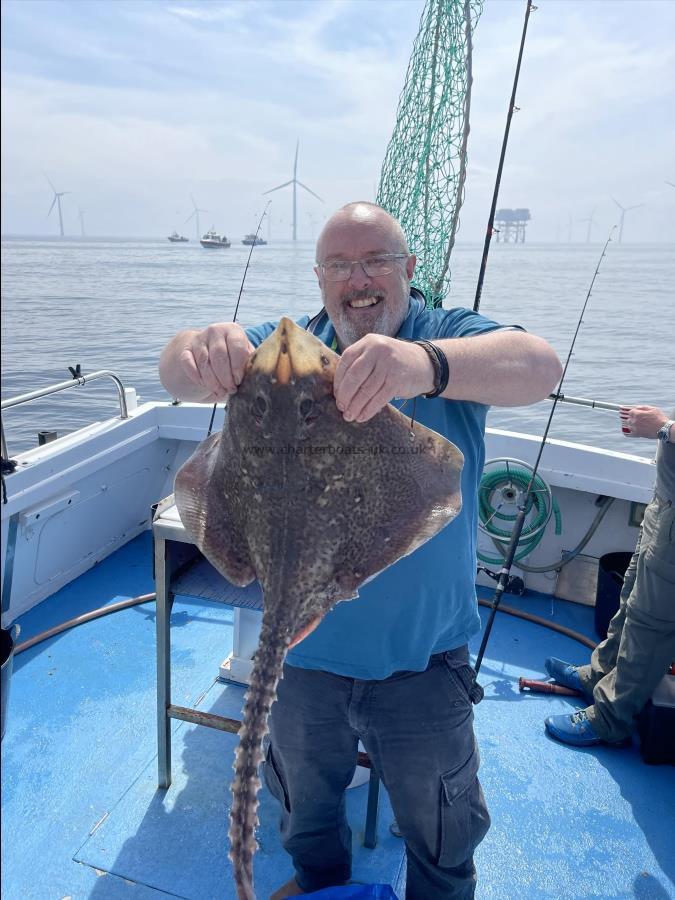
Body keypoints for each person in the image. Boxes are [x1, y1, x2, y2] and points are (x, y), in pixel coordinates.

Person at [159, 201, 562, 899]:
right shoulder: (286, 346)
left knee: (439, 827)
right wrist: (202, 346)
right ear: (320, 278)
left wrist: (421, 365)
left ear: (409, 270)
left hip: (421, 658)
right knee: (302, 813)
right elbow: (174, 372)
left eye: (375, 260)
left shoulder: (446, 334)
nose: (358, 277)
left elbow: (538, 366)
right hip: (300, 654)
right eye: (340, 265)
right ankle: (320, 885)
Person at [544, 405, 675, 747]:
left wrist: (663, 428)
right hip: (664, 508)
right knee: (630, 600)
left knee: (650, 625)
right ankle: (598, 674)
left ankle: (610, 718)